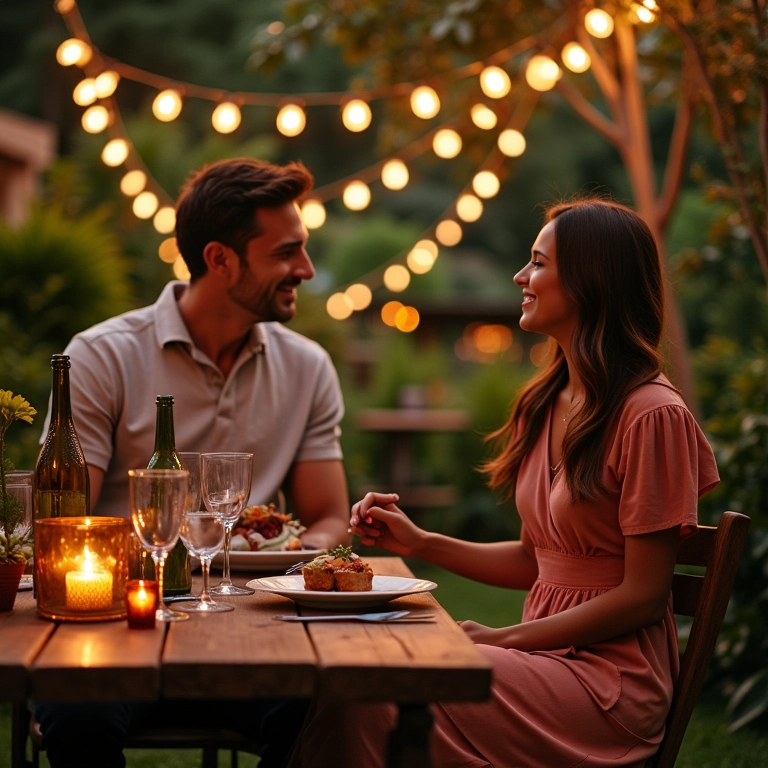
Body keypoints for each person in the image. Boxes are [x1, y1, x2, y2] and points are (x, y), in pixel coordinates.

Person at [288, 199, 720, 767]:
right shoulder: (545, 403)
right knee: (357, 676)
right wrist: (420, 543)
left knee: (374, 688)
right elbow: (533, 557)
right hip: (543, 660)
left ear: (593, 281)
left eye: (538, 263)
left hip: (607, 684)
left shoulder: (651, 415)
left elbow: (642, 597)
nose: (521, 277)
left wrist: (501, 639)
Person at [35, 157, 351, 767]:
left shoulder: (308, 368)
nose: (306, 271)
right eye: (287, 253)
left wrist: (289, 552)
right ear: (220, 259)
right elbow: (62, 527)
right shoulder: (101, 358)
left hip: (257, 634)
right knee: (75, 711)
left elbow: (329, 518)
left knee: (333, 706)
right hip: (116, 631)